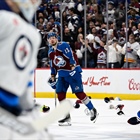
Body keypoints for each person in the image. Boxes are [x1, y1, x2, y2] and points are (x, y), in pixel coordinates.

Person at [0, 0, 50, 139]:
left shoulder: (31, 33)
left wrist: (29, 112)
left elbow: (24, 84)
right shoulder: (7, 20)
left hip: (8, 116)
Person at [47, 32, 98, 125]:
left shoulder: (63, 45)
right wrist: (53, 75)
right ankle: (67, 117)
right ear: (48, 40)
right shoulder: (50, 51)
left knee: (79, 93)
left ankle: (93, 110)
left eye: (53, 37)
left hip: (72, 73)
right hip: (62, 74)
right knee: (60, 95)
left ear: (57, 38)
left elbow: (71, 56)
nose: (52, 39)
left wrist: (73, 66)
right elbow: (52, 64)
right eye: (50, 38)